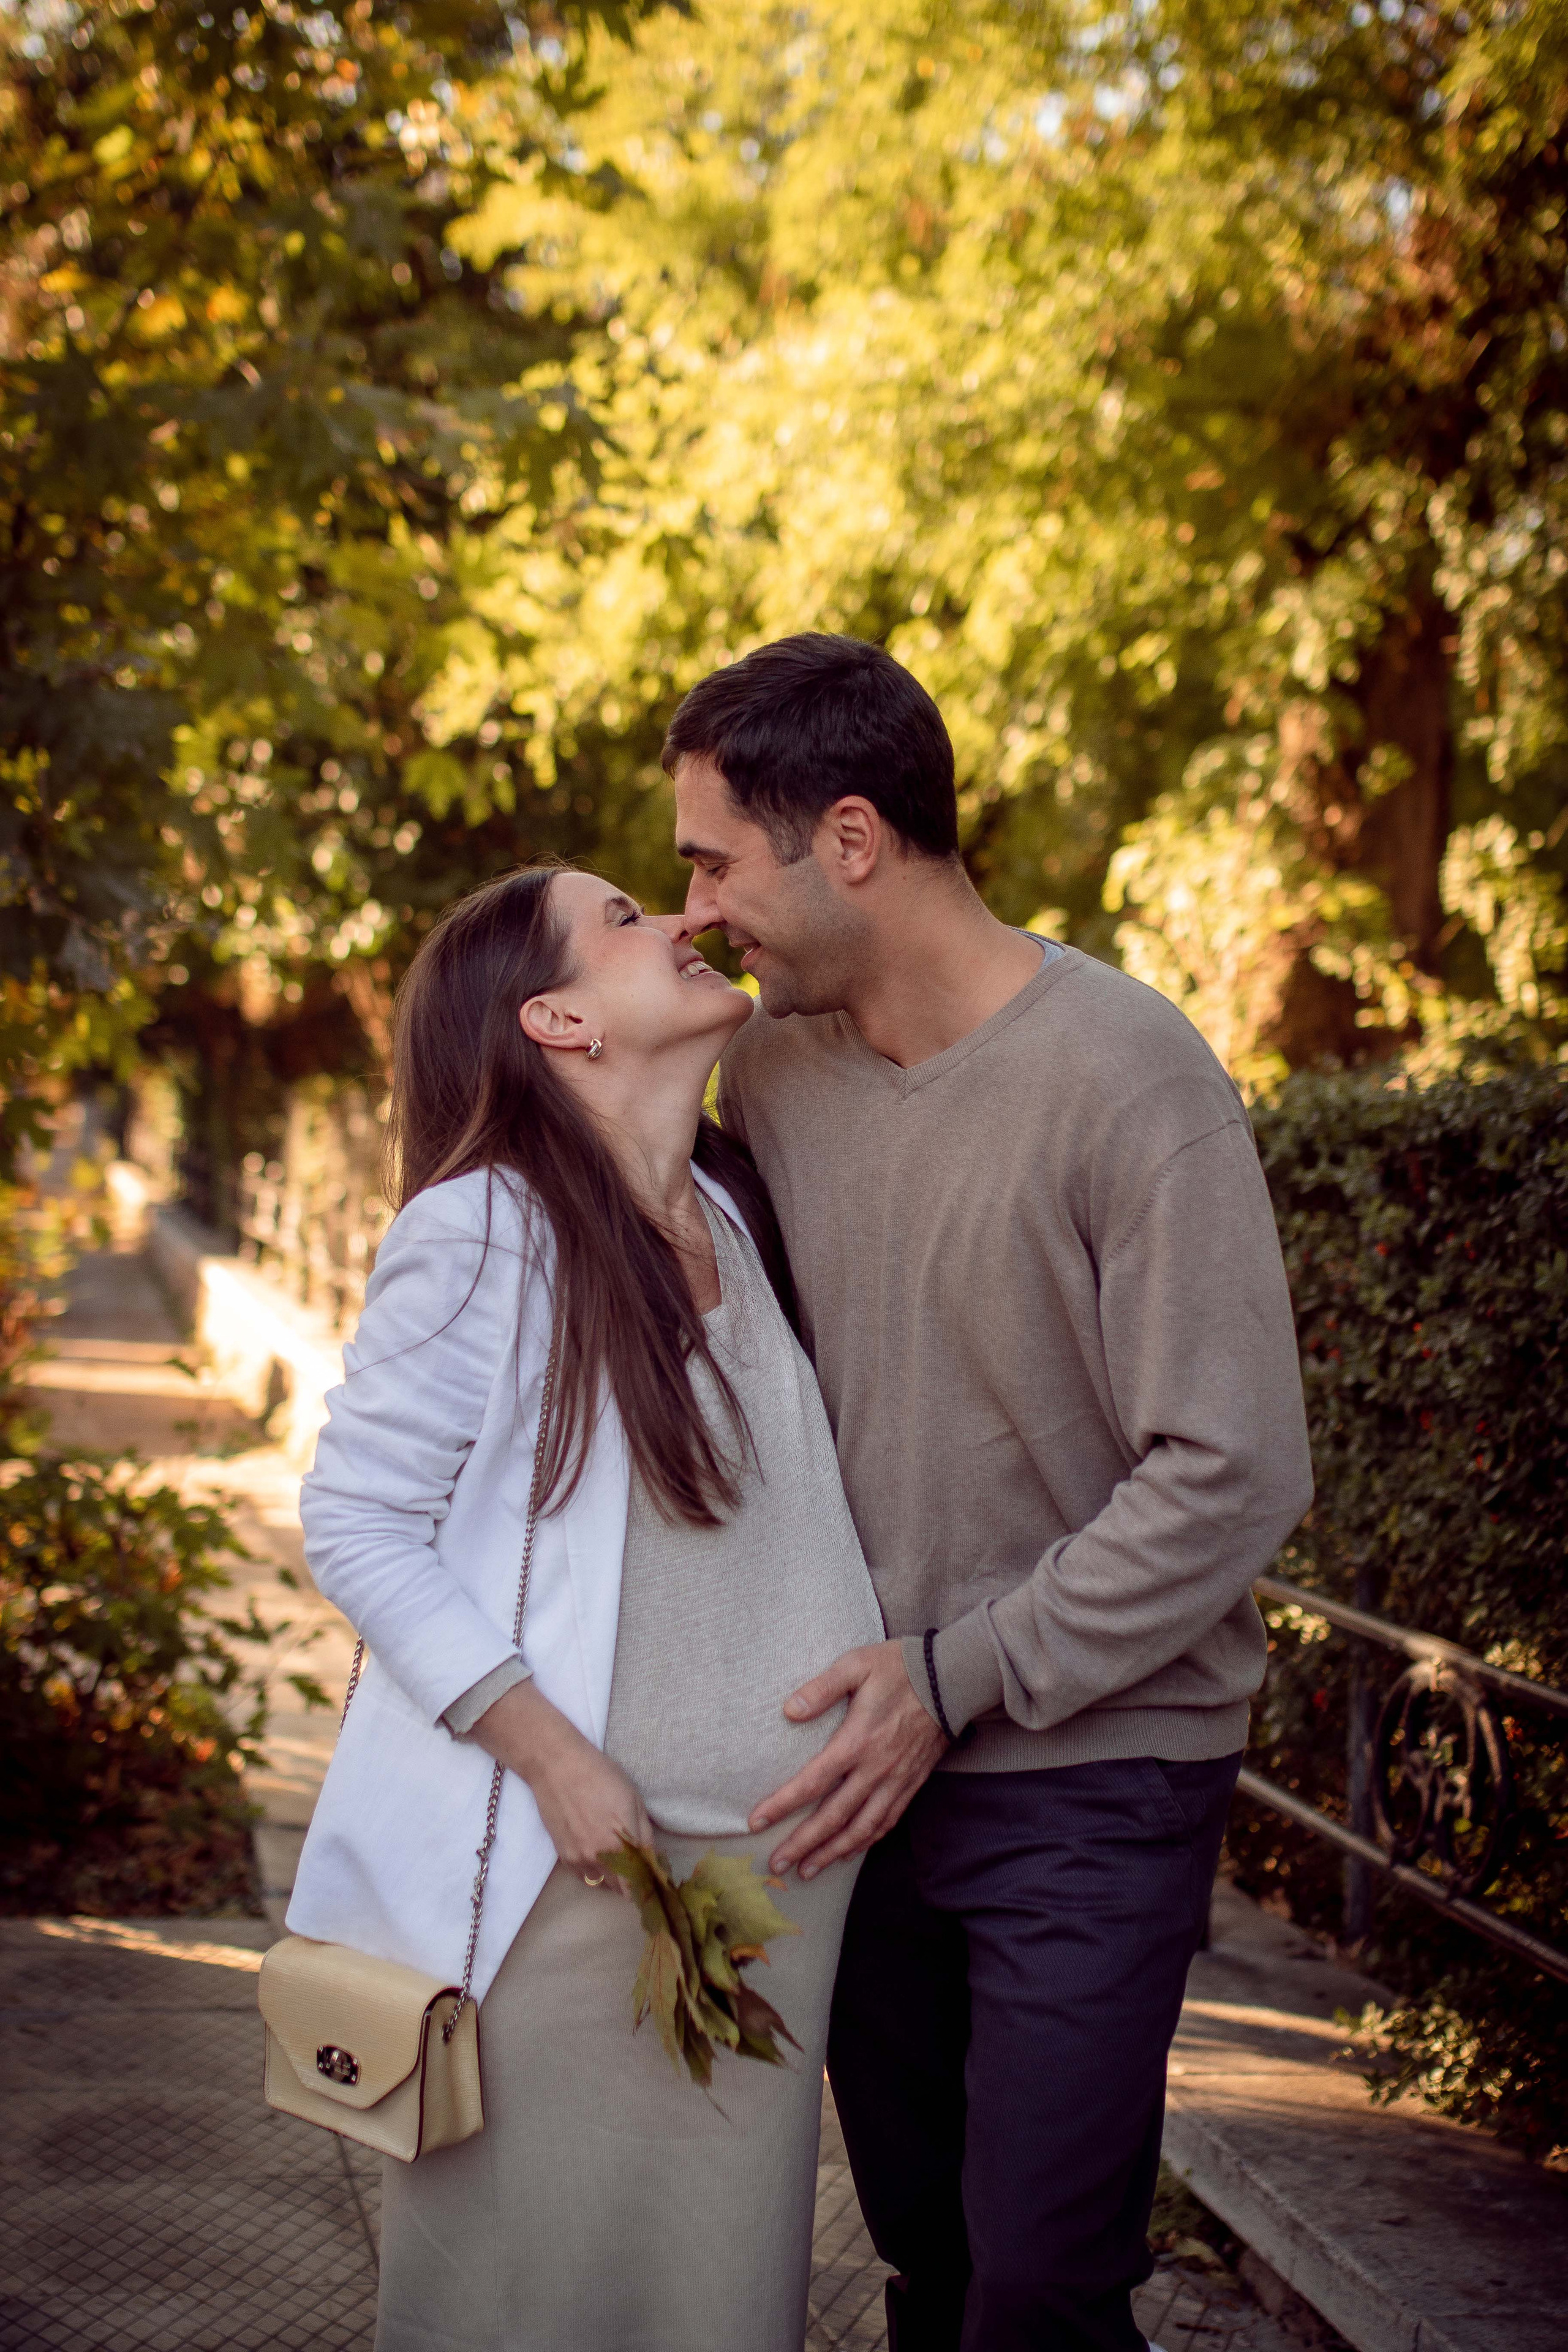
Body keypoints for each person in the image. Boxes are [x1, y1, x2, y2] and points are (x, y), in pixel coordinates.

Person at [665, 633, 1315, 2352]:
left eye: (714, 866)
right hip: (860, 1770)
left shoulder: (1130, 1074)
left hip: (1093, 1767)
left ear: (850, 839)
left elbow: (1234, 1466)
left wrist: (957, 1674)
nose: (699, 912)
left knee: (1040, 2281)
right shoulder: (774, 1075)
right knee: (929, 2261)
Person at [285, 862, 884, 2352]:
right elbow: (355, 1518)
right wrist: (555, 1760)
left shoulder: (733, 1208)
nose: (678, 920)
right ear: (556, 1020)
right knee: (530, 2298)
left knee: (716, 2304)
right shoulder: (484, 1228)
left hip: (776, 1888)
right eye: (623, 918)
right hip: (586, 1881)